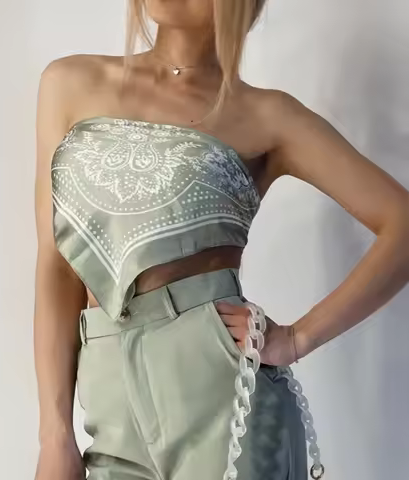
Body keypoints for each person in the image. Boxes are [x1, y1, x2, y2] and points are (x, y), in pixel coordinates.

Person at [33, 1, 409, 479]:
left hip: (222, 394)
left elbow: (402, 223)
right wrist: (55, 435)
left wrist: (298, 337)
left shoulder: (267, 115)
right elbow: (57, 264)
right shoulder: (70, 83)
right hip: (109, 401)